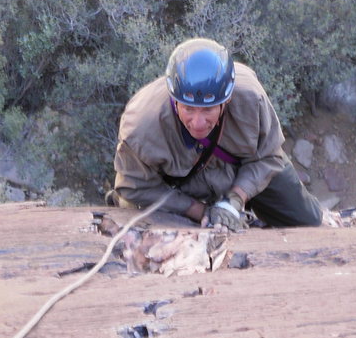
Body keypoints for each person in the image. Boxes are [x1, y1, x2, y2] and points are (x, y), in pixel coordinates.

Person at [108, 38, 323, 231]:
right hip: (180, 183)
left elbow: (269, 156)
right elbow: (135, 186)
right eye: (188, 109)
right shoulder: (142, 125)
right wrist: (198, 211)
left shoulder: (251, 99)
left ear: (226, 100)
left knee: (307, 220)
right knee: (145, 227)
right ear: (174, 99)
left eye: (208, 110)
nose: (198, 123)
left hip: (246, 167)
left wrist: (235, 200)